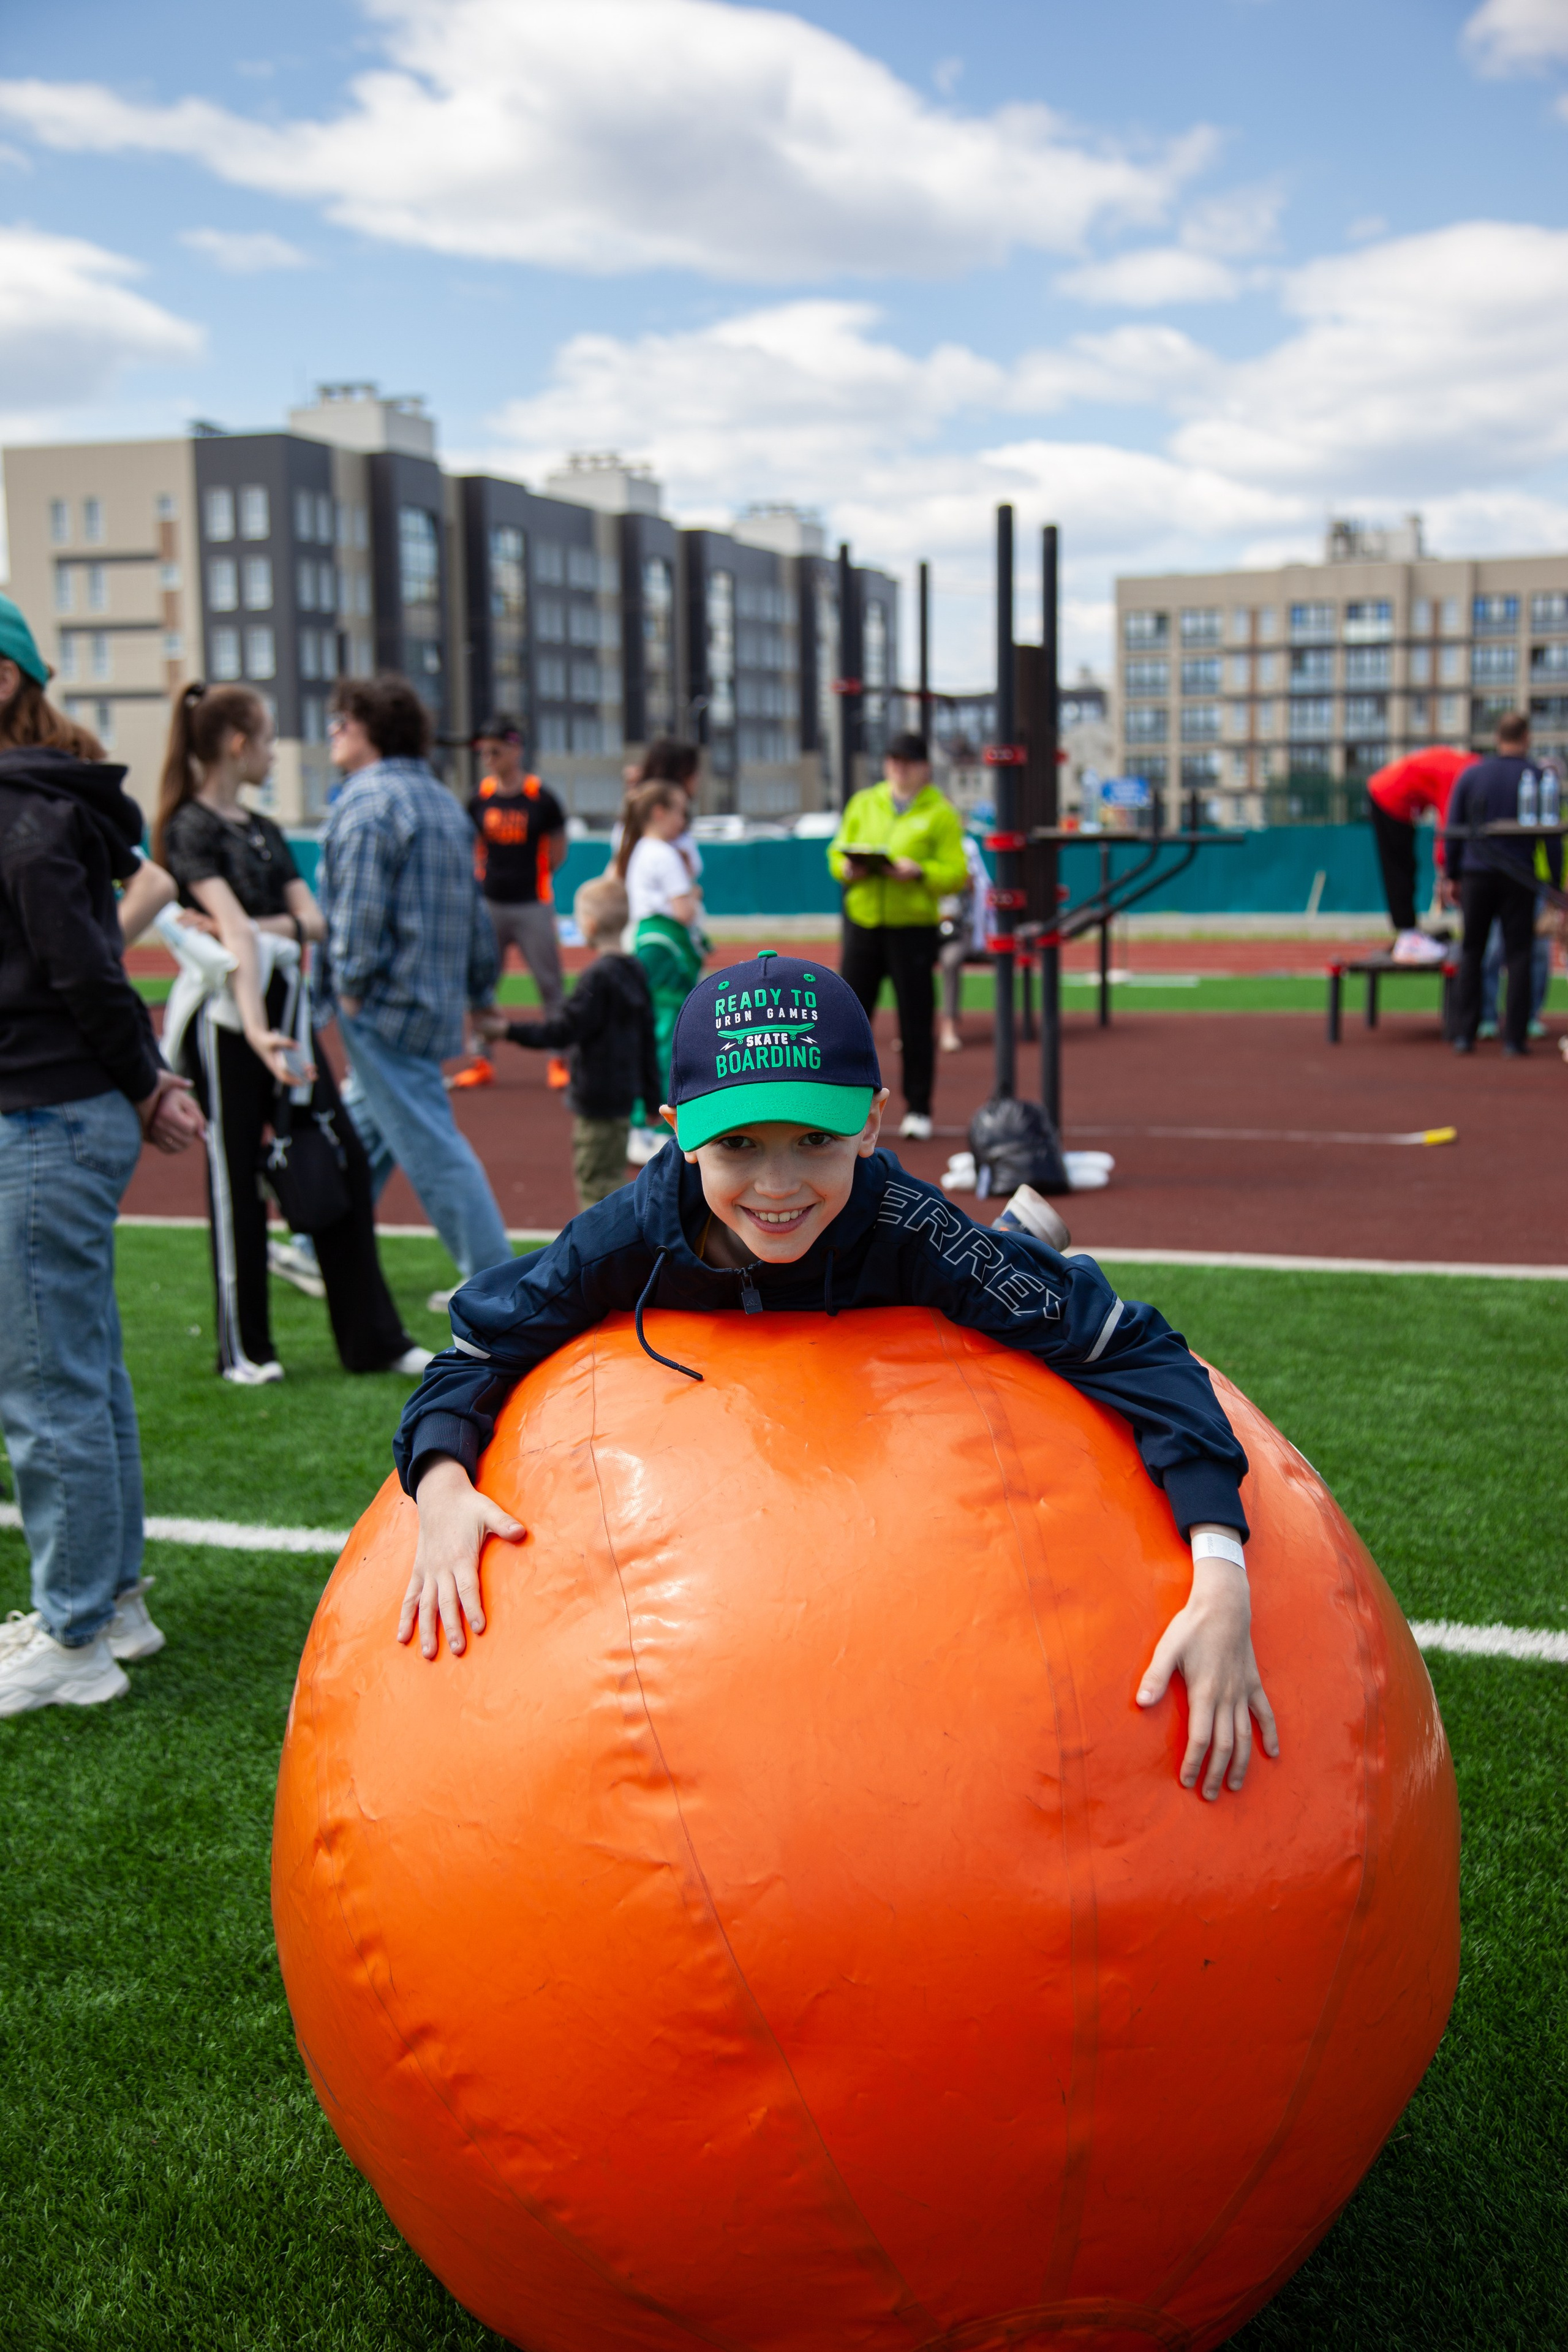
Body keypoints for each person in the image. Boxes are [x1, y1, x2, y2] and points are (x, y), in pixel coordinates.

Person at [393, 950, 1275, 1804]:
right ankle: (1015, 1239)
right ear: (679, 1134)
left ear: (872, 1125)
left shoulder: (909, 1229)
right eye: (738, 1144)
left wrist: (1220, 1569)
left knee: (1000, 1279)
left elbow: (1129, 1348)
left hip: (882, 1433)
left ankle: (1018, 1247)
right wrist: (439, 1483)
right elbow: (478, 1348)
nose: (778, 1186)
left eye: (816, 1139)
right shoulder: (630, 1234)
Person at [0, 593, 206, 1716]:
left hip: (38, 1120)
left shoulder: (19, 816)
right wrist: (147, 1087)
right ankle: (112, 1605)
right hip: (61, 1113)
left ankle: (75, 1639)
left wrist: (145, 1086)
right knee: (81, 1371)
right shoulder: (46, 806)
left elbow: (83, 971)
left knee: (48, 1385)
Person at [155, 682, 428, 1385]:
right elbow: (245, 933)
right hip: (228, 1024)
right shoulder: (189, 827)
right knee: (235, 1181)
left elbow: (311, 922)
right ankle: (244, 1350)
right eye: (270, 739)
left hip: (285, 1018)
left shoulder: (262, 829)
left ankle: (372, 1340)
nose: (276, 753)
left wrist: (249, 929)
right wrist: (252, 1012)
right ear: (237, 743)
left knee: (337, 1160)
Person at [318, 677, 513, 1308]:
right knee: (368, 1124)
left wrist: (347, 985)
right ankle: (312, 1240)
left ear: (369, 728)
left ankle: (490, 1271)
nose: (331, 734)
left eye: (341, 723)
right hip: (432, 1001)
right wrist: (482, 990)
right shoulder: (440, 801)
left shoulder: (367, 802)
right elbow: (474, 912)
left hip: (382, 1002)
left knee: (428, 1138)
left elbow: (360, 909)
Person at [477, 874, 661, 1211]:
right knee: (610, 1173)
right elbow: (647, 1037)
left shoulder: (597, 978)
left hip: (596, 1099)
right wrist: (652, 1095)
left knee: (596, 1184)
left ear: (588, 926)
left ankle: (609, 1253)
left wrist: (506, 1031)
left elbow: (561, 1032)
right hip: (623, 1098)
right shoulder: (635, 970)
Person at [829, 730, 967, 1141]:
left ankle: (920, 1108)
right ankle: (844, 1106)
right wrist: (847, 867)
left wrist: (919, 871)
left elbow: (957, 873)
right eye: (892, 760)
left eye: (906, 761)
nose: (898, 768)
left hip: (912, 929)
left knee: (915, 1019)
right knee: (849, 1019)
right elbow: (836, 852)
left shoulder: (941, 813)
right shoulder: (864, 802)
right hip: (864, 923)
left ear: (924, 766)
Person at [1445, 713, 1564, 1058]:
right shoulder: (1540, 777)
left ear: (1497, 737)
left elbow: (1455, 827)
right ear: (1526, 737)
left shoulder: (1472, 775)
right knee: (1520, 953)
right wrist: (1554, 886)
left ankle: (1464, 1035)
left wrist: (1453, 875)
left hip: (1476, 874)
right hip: (1519, 876)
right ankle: (1514, 1039)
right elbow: (1551, 838)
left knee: (1472, 951)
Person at [462, 715, 569, 1093]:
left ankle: (558, 1059)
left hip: (532, 905)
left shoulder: (541, 797)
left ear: (515, 748)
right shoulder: (479, 798)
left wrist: (538, 877)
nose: (488, 756)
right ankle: (481, 1060)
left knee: (549, 985)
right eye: (484, 750)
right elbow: (470, 845)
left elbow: (558, 848)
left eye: (496, 749)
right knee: (481, 984)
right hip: (489, 905)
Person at [617, 780, 707, 1156]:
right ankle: (652, 1124)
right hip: (666, 947)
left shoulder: (639, 849)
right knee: (667, 1034)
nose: (683, 821)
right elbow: (684, 910)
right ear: (660, 813)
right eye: (680, 811)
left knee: (652, 1031)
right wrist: (693, 894)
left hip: (647, 942)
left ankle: (642, 1121)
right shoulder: (665, 854)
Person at [1365, 746, 1471, 965]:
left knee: (1406, 865)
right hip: (1388, 796)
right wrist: (1446, 874)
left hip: (1395, 794)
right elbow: (1447, 828)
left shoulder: (1465, 767)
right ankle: (1408, 937)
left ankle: (1409, 932)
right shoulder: (1458, 776)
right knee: (1399, 866)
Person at [938, 829, 992, 1054]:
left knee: (950, 961)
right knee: (908, 962)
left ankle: (948, 1026)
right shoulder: (917, 847)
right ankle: (910, 1032)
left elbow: (975, 885)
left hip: (956, 930)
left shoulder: (964, 849)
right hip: (920, 927)